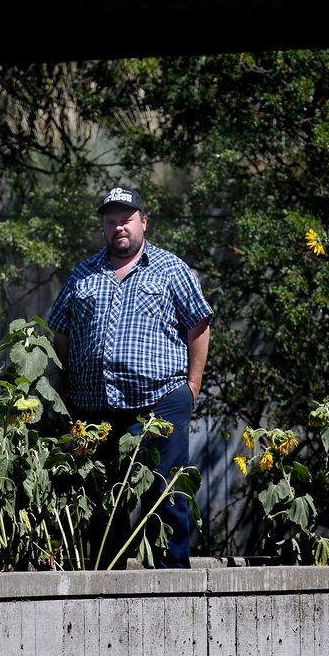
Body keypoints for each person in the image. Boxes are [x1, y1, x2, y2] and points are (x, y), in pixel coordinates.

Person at [47, 186, 212, 569]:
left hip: (159, 403)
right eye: (110, 221)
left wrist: (192, 387)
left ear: (143, 222)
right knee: (104, 500)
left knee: (164, 496)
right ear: (103, 227)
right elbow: (60, 331)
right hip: (94, 410)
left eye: (126, 219)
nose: (118, 227)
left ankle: (173, 587)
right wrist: (68, 386)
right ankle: (107, 586)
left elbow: (199, 326)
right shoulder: (83, 273)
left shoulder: (171, 268)